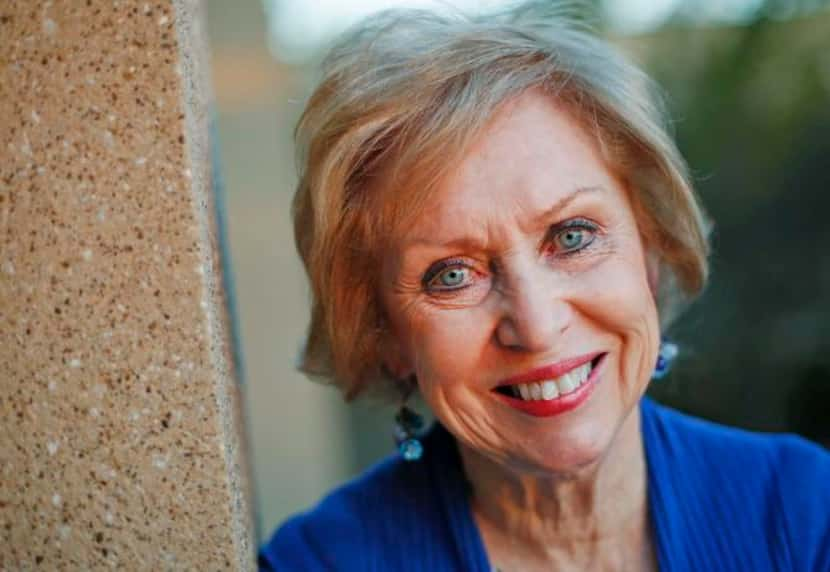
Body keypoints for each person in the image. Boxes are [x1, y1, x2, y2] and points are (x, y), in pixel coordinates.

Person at [258, 3, 830, 570]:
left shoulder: (806, 514)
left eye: (573, 237)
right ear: (383, 333)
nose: (535, 325)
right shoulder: (318, 564)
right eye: (452, 275)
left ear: (651, 248)